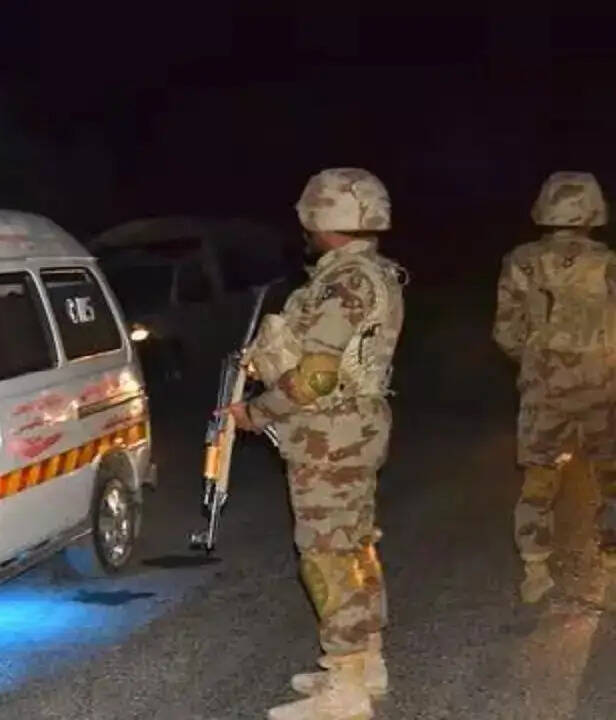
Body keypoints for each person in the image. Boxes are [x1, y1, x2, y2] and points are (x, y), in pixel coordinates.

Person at [229, 168, 405, 720]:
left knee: (327, 557)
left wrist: (257, 413)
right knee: (354, 546)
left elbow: (318, 377)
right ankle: (364, 664)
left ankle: (347, 690)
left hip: (331, 437)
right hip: (352, 429)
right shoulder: (373, 273)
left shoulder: (344, 283)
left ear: (322, 218)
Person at [492, 171, 616, 606]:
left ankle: (536, 571)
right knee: (610, 477)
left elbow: (506, 331)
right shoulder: (608, 262)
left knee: (539, 478)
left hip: (544, 388)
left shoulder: (521, 261)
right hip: (603, 386)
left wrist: (535, 361)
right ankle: (613, 567)